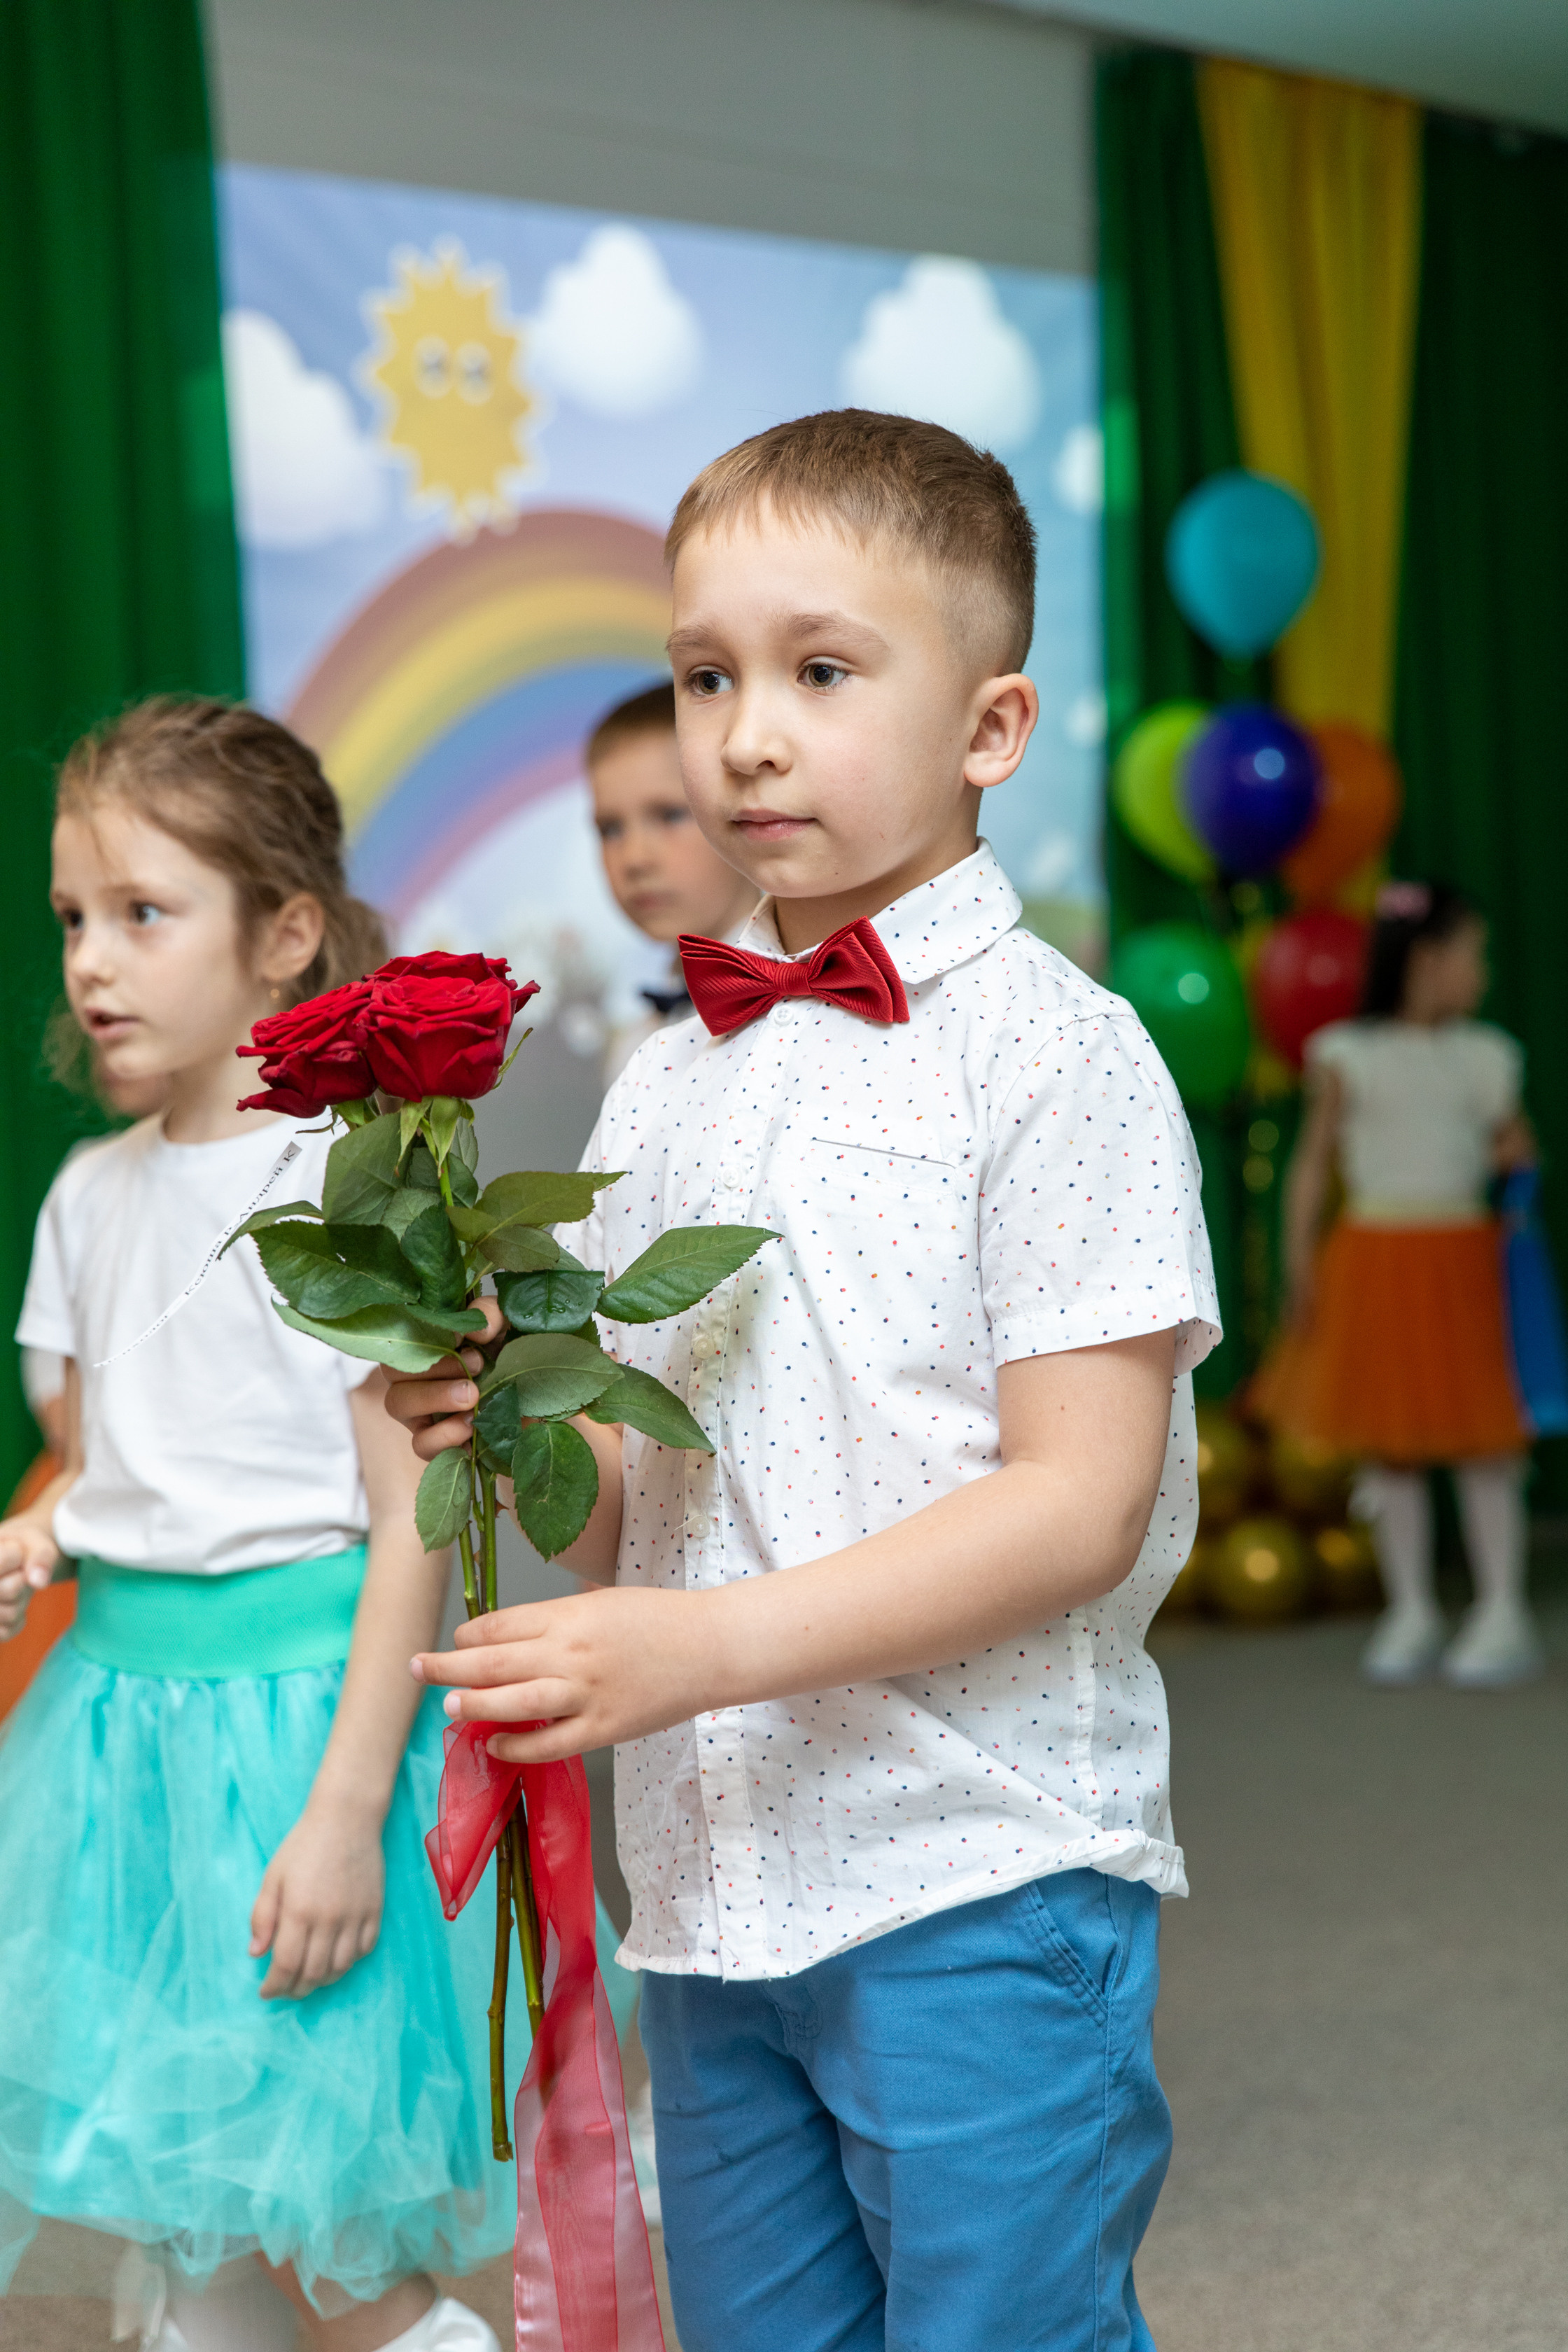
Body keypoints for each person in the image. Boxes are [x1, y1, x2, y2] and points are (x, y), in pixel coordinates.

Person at [388, 410, 1220, 2352]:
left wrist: (697, 1650)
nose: (746, 736)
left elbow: (1078, 1506)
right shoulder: (668, 1077)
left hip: (975, 1863)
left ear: (991, 729)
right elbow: (638, 1499)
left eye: (821, 673)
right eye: (706, 676)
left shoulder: (1059, 1054)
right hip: (713, 1880)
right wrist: (513, 1423)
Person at [0, 699, 517, 2352]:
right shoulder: (89, 1194)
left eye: (144, 913)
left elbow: (408, 1514)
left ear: (285, 934)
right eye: (74, 917)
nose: (92, 960)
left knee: (324, 2245)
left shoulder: (342, 1188)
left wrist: (348, 1810)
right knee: (188, 2219)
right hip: (117, 1745)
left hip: (296, 1741)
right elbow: (109, 1452)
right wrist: (52, 1529)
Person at [1268, 878, 1542, 1688]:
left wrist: (1514, 1157)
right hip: (1375, 1261)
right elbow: (1311, 1162)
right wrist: (1297, 1257)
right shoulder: (1345, 1055)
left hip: (1461, 1261)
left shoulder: (1486, 1055)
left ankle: (1501, 1610)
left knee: (1485, 1441)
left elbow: (1517, 1150)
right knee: (1390, 1448)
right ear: (1425, 960)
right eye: (1471, 955)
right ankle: (1411, 1608)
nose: (1480, 973)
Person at [587, 680, 758, 1082]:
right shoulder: (636, 1050)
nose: (635, 859)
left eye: (670, 815)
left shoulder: (810, 1008)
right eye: (611, 829)